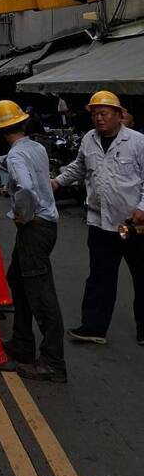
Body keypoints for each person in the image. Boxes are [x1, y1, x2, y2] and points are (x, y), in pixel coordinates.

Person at [0, 99, 66, 382]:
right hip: (46, 225)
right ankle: (22, 343)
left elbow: (26, 189)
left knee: (41, 294)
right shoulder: (35, 148)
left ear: (0, 131)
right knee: (17, 279)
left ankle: (53, 362)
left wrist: (22, 216)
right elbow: (11, 162)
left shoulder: (17, 156)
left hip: (35, 227)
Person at [52, 90, 144, 346]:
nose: (99, 119)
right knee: (100, 278)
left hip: (133, 225)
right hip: (100, 222)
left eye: (103, 113)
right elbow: (79, 167)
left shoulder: (137, 142)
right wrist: (57, 182)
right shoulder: (89, 139)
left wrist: (142, 207)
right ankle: (94, 327)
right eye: (94, 114)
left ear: (119, 115)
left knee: (142, 277)